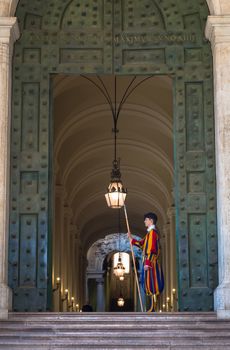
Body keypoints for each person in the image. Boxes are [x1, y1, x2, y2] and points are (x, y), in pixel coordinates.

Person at [128, 212, 164, 312]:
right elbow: (141, 244)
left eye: (146, 219)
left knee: (152, 283)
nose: (144, 221)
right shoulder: (149, 234)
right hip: (149, 262)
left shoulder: (153, 233)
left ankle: (153, 307)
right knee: (149, 283)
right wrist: (131, 239)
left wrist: (147, 263)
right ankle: (152, 307)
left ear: (151, 221)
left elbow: (151, 249)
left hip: (151, 262)